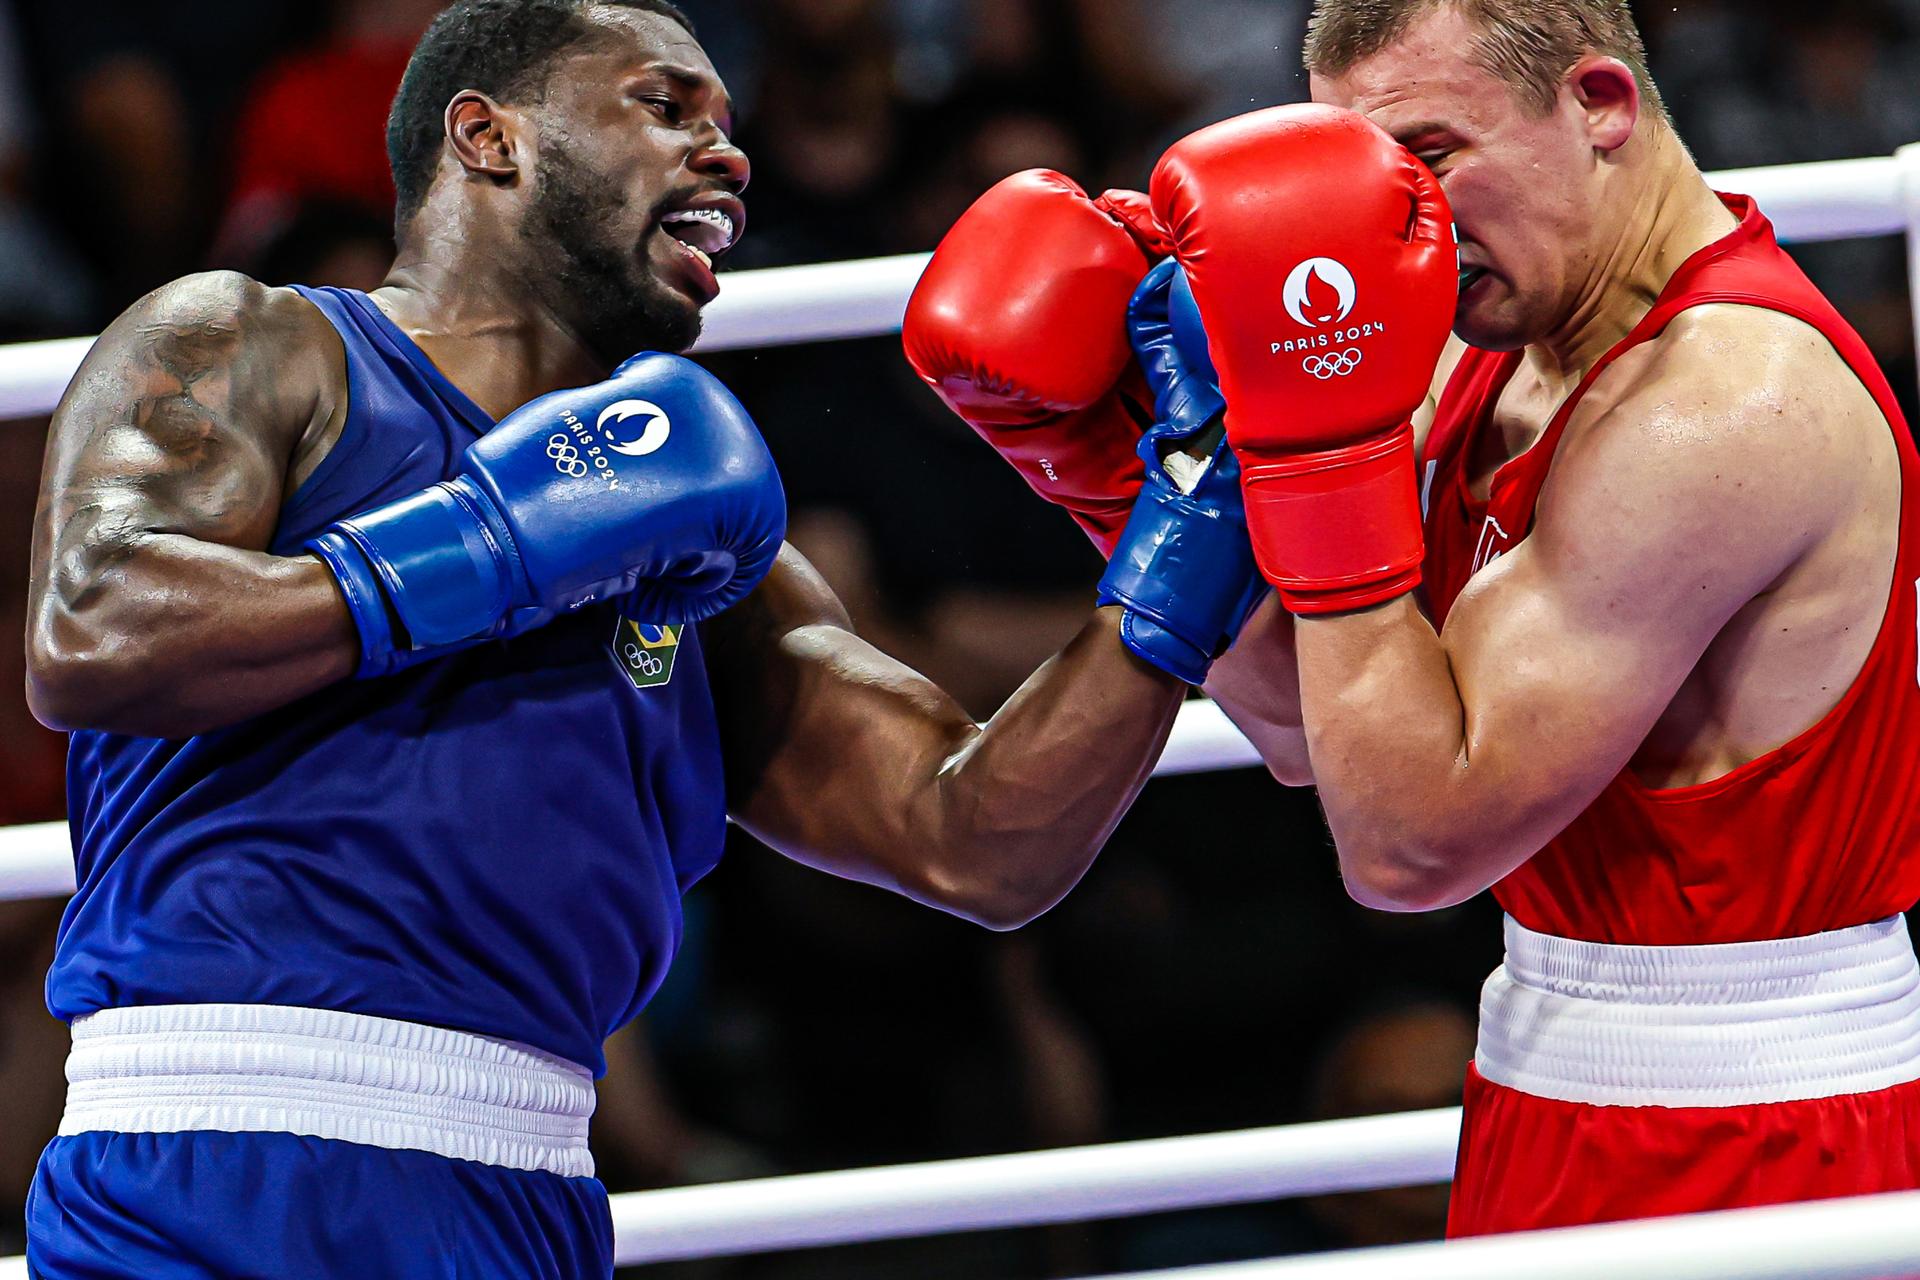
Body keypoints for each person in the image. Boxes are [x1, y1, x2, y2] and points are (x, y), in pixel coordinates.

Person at [20, 3, 1261, 1275]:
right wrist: (499, 543)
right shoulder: (257, 345)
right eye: (665, 108)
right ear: (487, 137)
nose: (725, 154)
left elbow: (978, 839)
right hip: (212, 1153)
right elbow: (93, 628)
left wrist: (1195, 525)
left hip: (526, 1185)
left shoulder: (704, 549)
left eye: (727, 126)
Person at [914, 0, 1920, 1240]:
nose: (1413, 221)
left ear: (1599, 106)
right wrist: (1117, 469)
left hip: (1757, 1115)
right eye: (1379, 176)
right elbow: (1314, 731)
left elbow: (1408, 847)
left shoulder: (1724, 403)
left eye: (1433, 156)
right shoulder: (1485, 354)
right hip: (1542, 1069)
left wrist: (1318, 445)